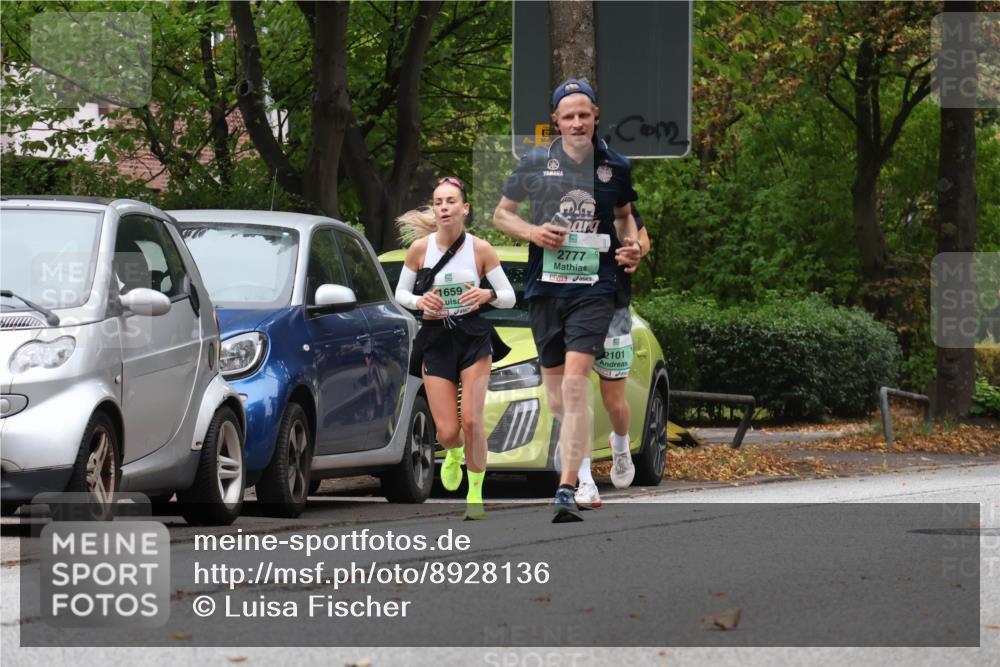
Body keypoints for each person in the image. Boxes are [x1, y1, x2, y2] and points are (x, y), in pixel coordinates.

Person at [493, 79, 641, 522]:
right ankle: (582, 462)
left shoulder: (616, 166)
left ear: (596, 115)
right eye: (567, 115)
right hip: (546, 290)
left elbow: (624, 219)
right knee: (559, 396)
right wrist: (533, 233)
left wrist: (631, 246)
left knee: (577, 382)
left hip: (595, 291)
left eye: (584, 114)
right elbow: (502, 215)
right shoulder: (536, 163)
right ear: (555, 120)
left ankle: (575, 479)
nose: (577, 122)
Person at [394, 176, 516, 520]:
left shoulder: (480, 249)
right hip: (435, 339)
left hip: (473, 337)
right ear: (434, 209)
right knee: (448, 431)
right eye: (438, 202)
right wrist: (421, 301)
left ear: (465, 208)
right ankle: (452, 452)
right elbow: (399, 295)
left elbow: (509, 297)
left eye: (451, 201)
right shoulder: (420, 249)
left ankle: (475, 495)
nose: (444, 207)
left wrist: (486, 294)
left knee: (473, 420)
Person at [576, 204, 651, 509]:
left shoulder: (617, 199)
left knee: (614, 403)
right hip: (572, 308)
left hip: (612, 310)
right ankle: (583, 478)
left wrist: (635, 249)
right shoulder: (556, 196)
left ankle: (620, 443)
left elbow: (643, 240)